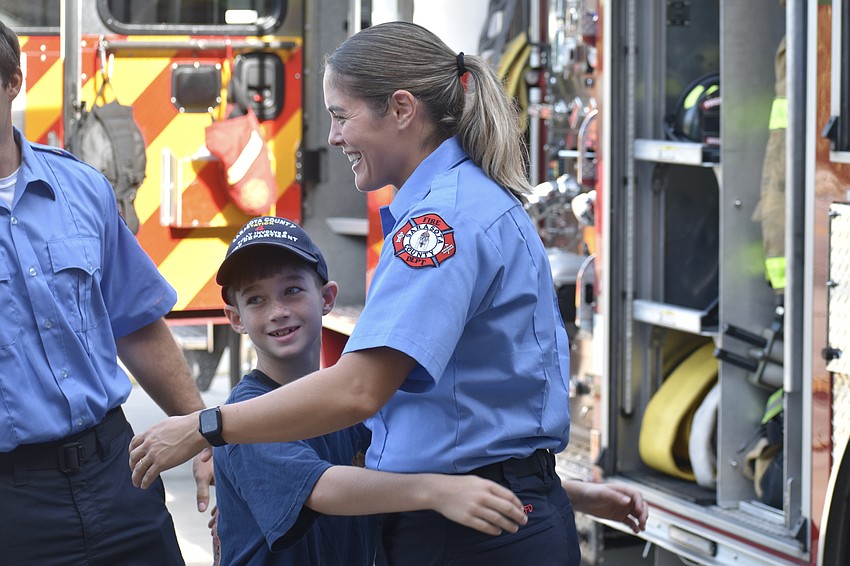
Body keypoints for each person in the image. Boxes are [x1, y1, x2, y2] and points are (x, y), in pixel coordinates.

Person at [131, 21, 645, 564]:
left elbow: (360, 393)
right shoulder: (470, 199)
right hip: (495, 513)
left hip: (465, 535)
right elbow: (462, 422)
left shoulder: (439, 222)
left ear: (401, 109)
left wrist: (206, 426)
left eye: (341, 115)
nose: (332, 137)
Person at [0, 20, 211, 565]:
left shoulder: (81, 189)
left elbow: (135, 322)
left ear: (13, 83)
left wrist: (207, 434)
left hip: (118, 475)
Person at [211, 215, 537, 565]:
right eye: (256, 300)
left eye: (292, 291)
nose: (278, 311)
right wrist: (437, 493)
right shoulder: (243, 418)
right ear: (236, 319)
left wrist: (559, 491)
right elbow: (322, 488)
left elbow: (416, 466)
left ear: (327, 297)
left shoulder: (353, 404)